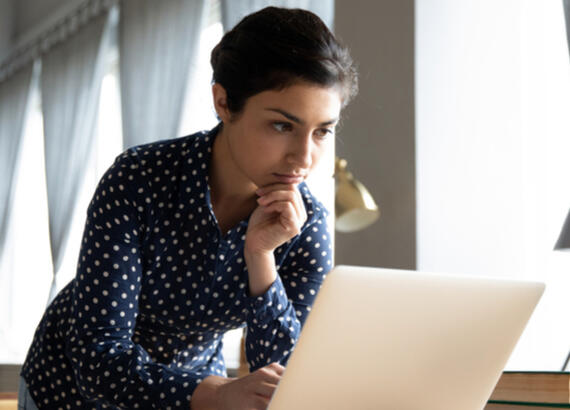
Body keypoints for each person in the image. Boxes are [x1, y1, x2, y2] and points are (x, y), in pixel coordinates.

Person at [19, 6, 358, 410]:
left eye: (322, 131)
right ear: (224, 103)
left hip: (196, 395)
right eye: (283, 126)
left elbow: (284, 378)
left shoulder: (305, 226)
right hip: (69, 392)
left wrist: (261, 258)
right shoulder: (139, 179)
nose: (304, 157)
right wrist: (214, 392)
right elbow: (98, 360)